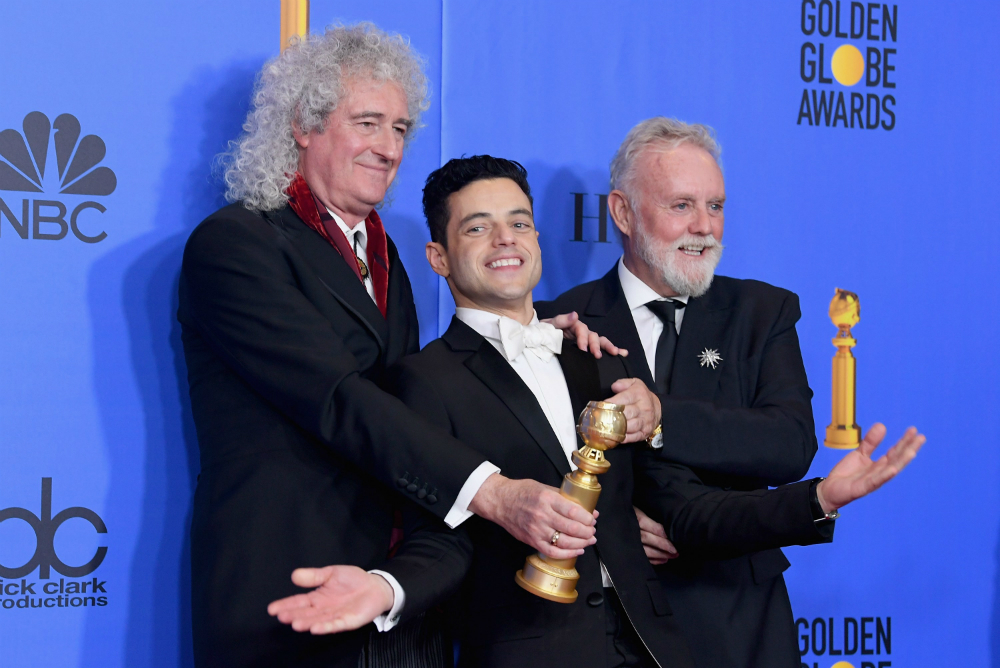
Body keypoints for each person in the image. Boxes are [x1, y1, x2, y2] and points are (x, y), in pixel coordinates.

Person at [267, 156, 925, 668]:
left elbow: (686, 510)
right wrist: (387, 590)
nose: (505, 239)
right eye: (478, 227)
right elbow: (443, 540)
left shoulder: (598, 359)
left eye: (519, 221)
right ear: (438, 256)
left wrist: (819, 498)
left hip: (654, 647)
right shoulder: (421, 382)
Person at [178, 25, 611, 668]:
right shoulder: (236, 245)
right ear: (304, 125)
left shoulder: (385, 260)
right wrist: (493, 493)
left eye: (400, 128)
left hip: (403, 600)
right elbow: (338, 398)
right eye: (368, 124)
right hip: (290, 590)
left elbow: (417, 396)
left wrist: (540, 332)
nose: (388, 148)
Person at [536, 117, 822, 667]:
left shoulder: (763, 312)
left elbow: (790, 444)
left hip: (738, 618)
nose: (704, 227)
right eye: (682, 205)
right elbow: (534, 459)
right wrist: (614, 528)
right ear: (623, 212)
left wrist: (662, 416)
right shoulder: (561, 322)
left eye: (715, 206)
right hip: (610, 625)